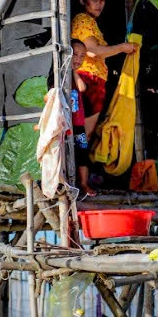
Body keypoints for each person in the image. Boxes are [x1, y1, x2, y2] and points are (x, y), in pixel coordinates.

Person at [71, 0, 137, 151]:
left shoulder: (91, 23)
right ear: (82, 1)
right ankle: (77, 163)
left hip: (95, 80)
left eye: (102, 0)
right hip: (88, 78)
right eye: (94, 0)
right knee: (82, 134)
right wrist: (122, 47)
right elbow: (92, 51)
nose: (99, 4)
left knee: (84, 134)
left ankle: (79, 162)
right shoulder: (83, 20)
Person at [68, 38, 95, 197]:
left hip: (78, 124)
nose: (78, 59)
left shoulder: (77, 77)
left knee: (83, 152)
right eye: (75, 54)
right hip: (65, 124)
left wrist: (73, 71)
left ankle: (84, 184)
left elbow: (82, 88)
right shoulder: (58, 75)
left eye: (82, 56)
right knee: (65, 152)